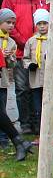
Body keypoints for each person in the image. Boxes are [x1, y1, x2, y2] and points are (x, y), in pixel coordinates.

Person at [1, 0, 49, 134]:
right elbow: (8, 24)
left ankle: (38, 122)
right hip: (21, 51)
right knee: (22, 89)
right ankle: (25, 123)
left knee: (38, 88)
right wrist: (24, 43)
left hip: (40, 52)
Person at [22, 9, 53, 146]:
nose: (42, 26)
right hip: (35, 81)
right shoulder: (31, 41)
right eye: (39, 24)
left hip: (50, 81)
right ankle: (42, 135)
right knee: (39, 110)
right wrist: (29, 65)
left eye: (45, 23)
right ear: (36, 25)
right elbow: (25, 58)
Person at [0, 8, 19, 147]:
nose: (11, 25)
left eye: (13, 23)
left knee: (2, 110)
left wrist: (10, 58)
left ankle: (3, 138)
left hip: (3, 80)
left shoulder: (11, 42)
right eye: (8, 22)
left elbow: (12, 65)